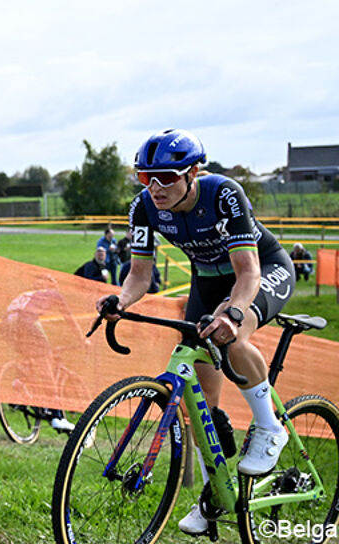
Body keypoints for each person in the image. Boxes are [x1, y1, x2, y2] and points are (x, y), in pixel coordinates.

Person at [97, 129, 295, 536]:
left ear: (192, 173)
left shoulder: (223, 194)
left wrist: (234, 314)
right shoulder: (144, 207)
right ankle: (214, 495)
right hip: (206, 282)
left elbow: (248, 273)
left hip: (262, 270)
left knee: (231, 337)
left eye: (166, 177)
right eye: (146, 178)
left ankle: (269, 426)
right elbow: (139, 275)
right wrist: (121, 300)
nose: (155, 187)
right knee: (203, 401)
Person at [0, 274, 83, 432]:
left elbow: (35, 328)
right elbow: (70, 320)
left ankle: (21, 381)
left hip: (6, 325)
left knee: (35, 355)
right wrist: (82, 339)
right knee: (45, 364)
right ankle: (57, 416)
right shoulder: (53, 294)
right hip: (24, 323)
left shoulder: (27, 295)